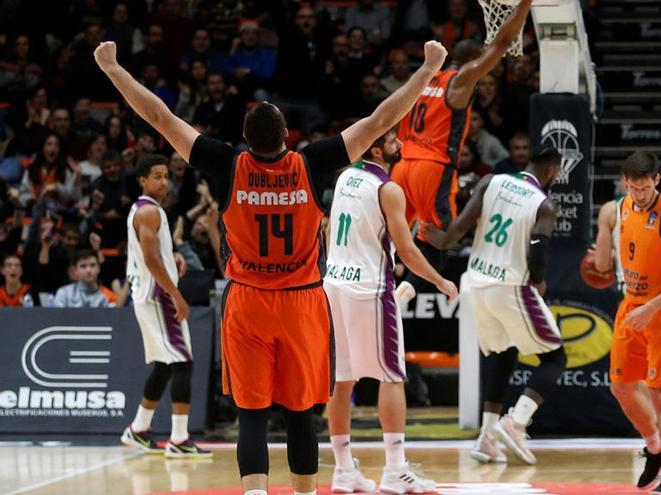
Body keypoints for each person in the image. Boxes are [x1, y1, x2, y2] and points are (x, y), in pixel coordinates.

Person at [94, 39, 448, 495]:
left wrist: (113, 69)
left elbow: (160, 117)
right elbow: (381, 119)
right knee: (301, 414)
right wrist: (427, 70)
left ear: (246, 139)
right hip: (301, 303)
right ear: (287, 138)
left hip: (247, 302)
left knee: (253, 416)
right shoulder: (313, 162)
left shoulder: (226, 165)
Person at [324, 129, 457, 494]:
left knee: (342, 379)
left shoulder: (344, 177)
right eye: (395, 141)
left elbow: (329, 231)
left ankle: (343, 470)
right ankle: (396, 470)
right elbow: (409, 251)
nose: (401, 146)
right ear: (377, 148)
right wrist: (440, 281)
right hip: (369, 289)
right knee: (392, 377)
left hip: (334, 283)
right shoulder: (388, 189)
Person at [424, 147, 566, 466]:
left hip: (475, 283)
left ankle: (487, 438)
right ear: (550, 172)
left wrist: (442, 240)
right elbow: (539, 249)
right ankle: (515, 422)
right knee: (555, 357)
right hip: (510, 285)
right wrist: (539, 280)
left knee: (505, 354)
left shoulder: (491, 182)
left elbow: (460, 227)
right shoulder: (544, 204)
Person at [392, 0, 533, 308]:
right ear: (473, 60)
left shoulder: (423, 79)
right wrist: (526, 3)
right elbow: (503, 42)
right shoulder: (461, 80)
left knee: (392, 236)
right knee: (441, 244)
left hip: (401, 167)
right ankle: (402, 293)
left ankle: (380, 283)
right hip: (432, 168)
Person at [604, 151, 661, 495]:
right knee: (621, 386)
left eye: (644, 187)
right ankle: (655, 447)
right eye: (632, 187)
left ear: (656, 180)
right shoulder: (622, 206)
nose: (639, 194)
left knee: (660, 393)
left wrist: (651, 307)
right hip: (632, 305)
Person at [119, 154, 211, 459]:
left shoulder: (148, 209)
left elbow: (157, 253)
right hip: (158, 296)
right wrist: (176, 294)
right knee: (183, 362)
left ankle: (139, 428)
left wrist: (175, 259)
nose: (164, 181)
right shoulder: (148, 212)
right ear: (142, 180)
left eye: (165, 175)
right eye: (156, 176)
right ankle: (179, 438)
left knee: (166, 362)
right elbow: (150, 258)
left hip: (150, 294)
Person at [592, 190, 661, 459]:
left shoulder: (609, 210)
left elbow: (601, 265)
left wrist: (595, 259)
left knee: (643, 380)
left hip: (641, 298)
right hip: (654, 297)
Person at [53, 249, 117, 307]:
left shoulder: (109, 296)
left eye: (92, 265)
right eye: (83, 266)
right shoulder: (64, 293)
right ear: (75, 270)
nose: (88, 270)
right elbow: (56, 319)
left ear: (99, 268)